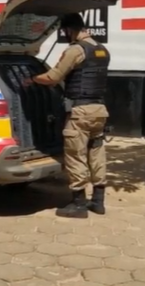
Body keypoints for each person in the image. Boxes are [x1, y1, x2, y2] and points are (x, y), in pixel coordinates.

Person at [24, 13, 110, 219]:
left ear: (70, 29)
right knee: (96, 152)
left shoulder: (75, 50)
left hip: (79, 112)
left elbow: (53, 77)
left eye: (64, 32)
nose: (65, 35)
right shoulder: (101, 50)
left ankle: (78, 204)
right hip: (99, 111)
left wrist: (32, 80)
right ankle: (98, 201)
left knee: (75, 154)